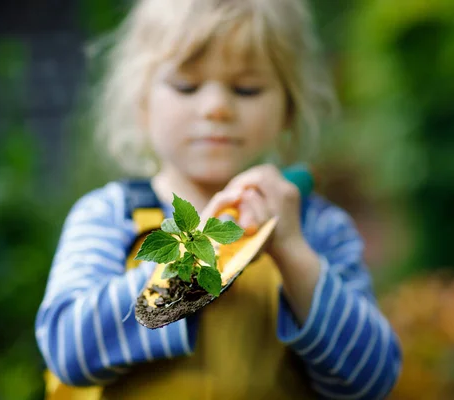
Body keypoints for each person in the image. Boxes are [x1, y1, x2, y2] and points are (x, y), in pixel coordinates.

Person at [35, 0, 403, 398]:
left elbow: (373, 380)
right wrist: (197, 256)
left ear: (289, 108)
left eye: (246, 88)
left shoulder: (317, 229)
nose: (216, 108)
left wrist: (294, 253)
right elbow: (66, 351)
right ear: (142, 103)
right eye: (186, 86)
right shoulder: (109, 215)